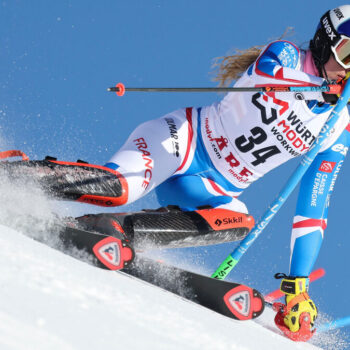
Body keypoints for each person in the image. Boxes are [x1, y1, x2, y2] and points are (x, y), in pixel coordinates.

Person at [1, 5, 350, 340]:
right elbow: (270, 75)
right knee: (116, 187)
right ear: (324, 42)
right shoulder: (287, 57)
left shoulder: (337, 125)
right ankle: (14, 175)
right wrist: (315, 90)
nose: (347, 71)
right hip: (180, 142)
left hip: (208, 187)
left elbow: (313, 207)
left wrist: (297, 285)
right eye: (346, 55)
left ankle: (117, 229)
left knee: (239, 220)